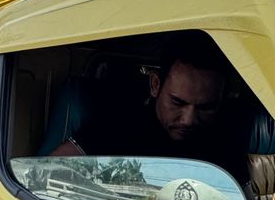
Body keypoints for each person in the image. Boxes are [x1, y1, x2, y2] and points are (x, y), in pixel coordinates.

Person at [50, 34, 247, 176]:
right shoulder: (120, 125)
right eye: (177, 102)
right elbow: (51, 167)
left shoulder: (225, 138)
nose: (188, 120)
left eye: (206, 108)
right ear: (155, 86)